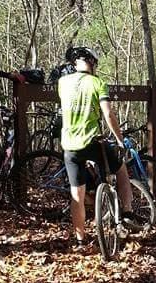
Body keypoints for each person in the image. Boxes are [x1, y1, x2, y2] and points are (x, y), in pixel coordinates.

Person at [58, 46, 143, 245]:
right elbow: (108, 114)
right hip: (92, 142)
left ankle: (80, 239)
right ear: (93, 64)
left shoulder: (62, 83)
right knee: (121, 169)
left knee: (76, 193)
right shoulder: (97, 83)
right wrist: (120, 139)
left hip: (69, 145)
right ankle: (128, 212)